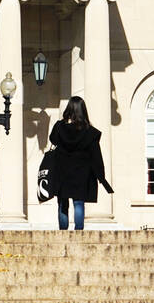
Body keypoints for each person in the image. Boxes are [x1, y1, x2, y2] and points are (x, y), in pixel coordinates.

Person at [49, 95, 114, 231]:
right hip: (81, 173)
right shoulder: (90, 132)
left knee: (62, 203)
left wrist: (64, 123)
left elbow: (53, 139)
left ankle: (63, 232)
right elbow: (96, 156)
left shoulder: (60, 127)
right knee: (78, 203)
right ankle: (79, 232)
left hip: (62, 171)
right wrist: (101, 176)